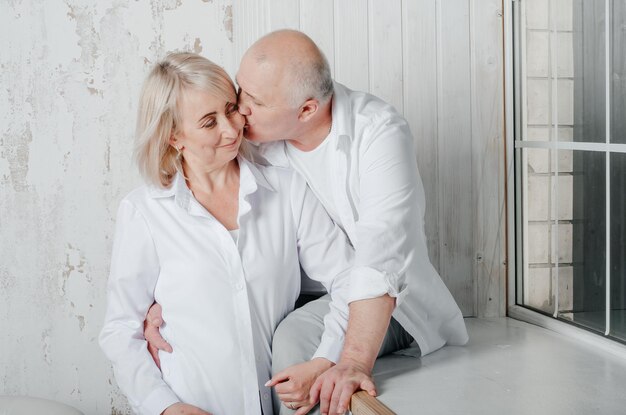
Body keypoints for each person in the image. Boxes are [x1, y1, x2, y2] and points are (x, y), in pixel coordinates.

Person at [146, 30, 469, 415]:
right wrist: (163, 302)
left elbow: (379, 257)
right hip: (288, 295)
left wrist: (351, 361)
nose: (238, 110)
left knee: (294, 342)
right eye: (241, 91)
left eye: (254, 102)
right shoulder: (249, 132)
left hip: (386, 302)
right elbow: (194, 202)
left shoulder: (378, 134)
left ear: (306, 111)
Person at [99, 52, 362, 415]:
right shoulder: (144, 212)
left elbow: (350, 280)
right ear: (174, 136)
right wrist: (165, 407)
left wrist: (325, 358)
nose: (231, 128)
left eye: (231, 109)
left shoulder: (287, 190)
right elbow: (120, 329)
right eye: (209, 122)